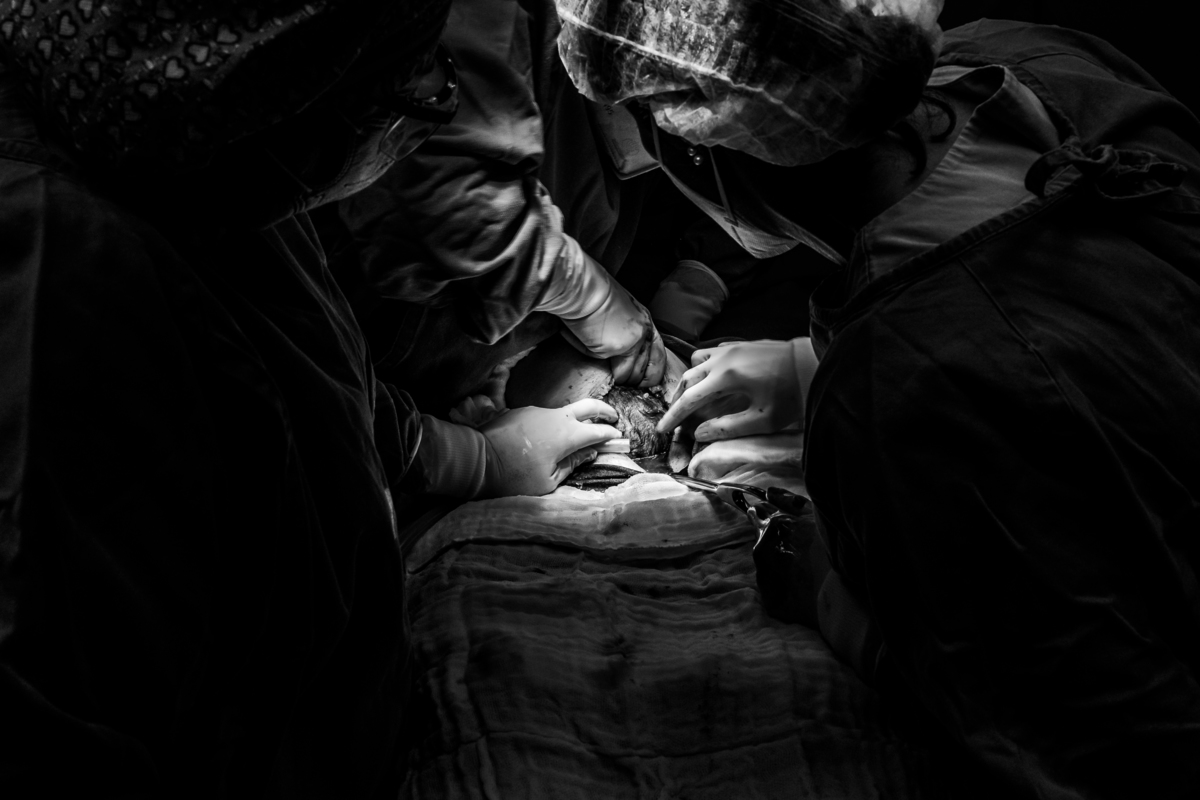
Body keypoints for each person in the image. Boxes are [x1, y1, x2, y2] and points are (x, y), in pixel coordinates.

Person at [559, 2, 1200, 796]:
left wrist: (833, 594)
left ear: (698, 143)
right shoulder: (1030, 58)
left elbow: (1096, 743)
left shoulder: (905, 393)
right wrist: (813, 362)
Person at [0, 2, 624, 797]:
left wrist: (476, 458)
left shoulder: (207, 166)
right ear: (294, 96)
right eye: (414, 89)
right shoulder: (57, 295)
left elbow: (312, 387)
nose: (434, 105)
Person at [332, 0, 667, 421]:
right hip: (367, 360)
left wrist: (515, 350)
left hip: (464, 371)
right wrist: (581, 293)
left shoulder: (655, 71)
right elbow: (430, 199)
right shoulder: (484, 14)